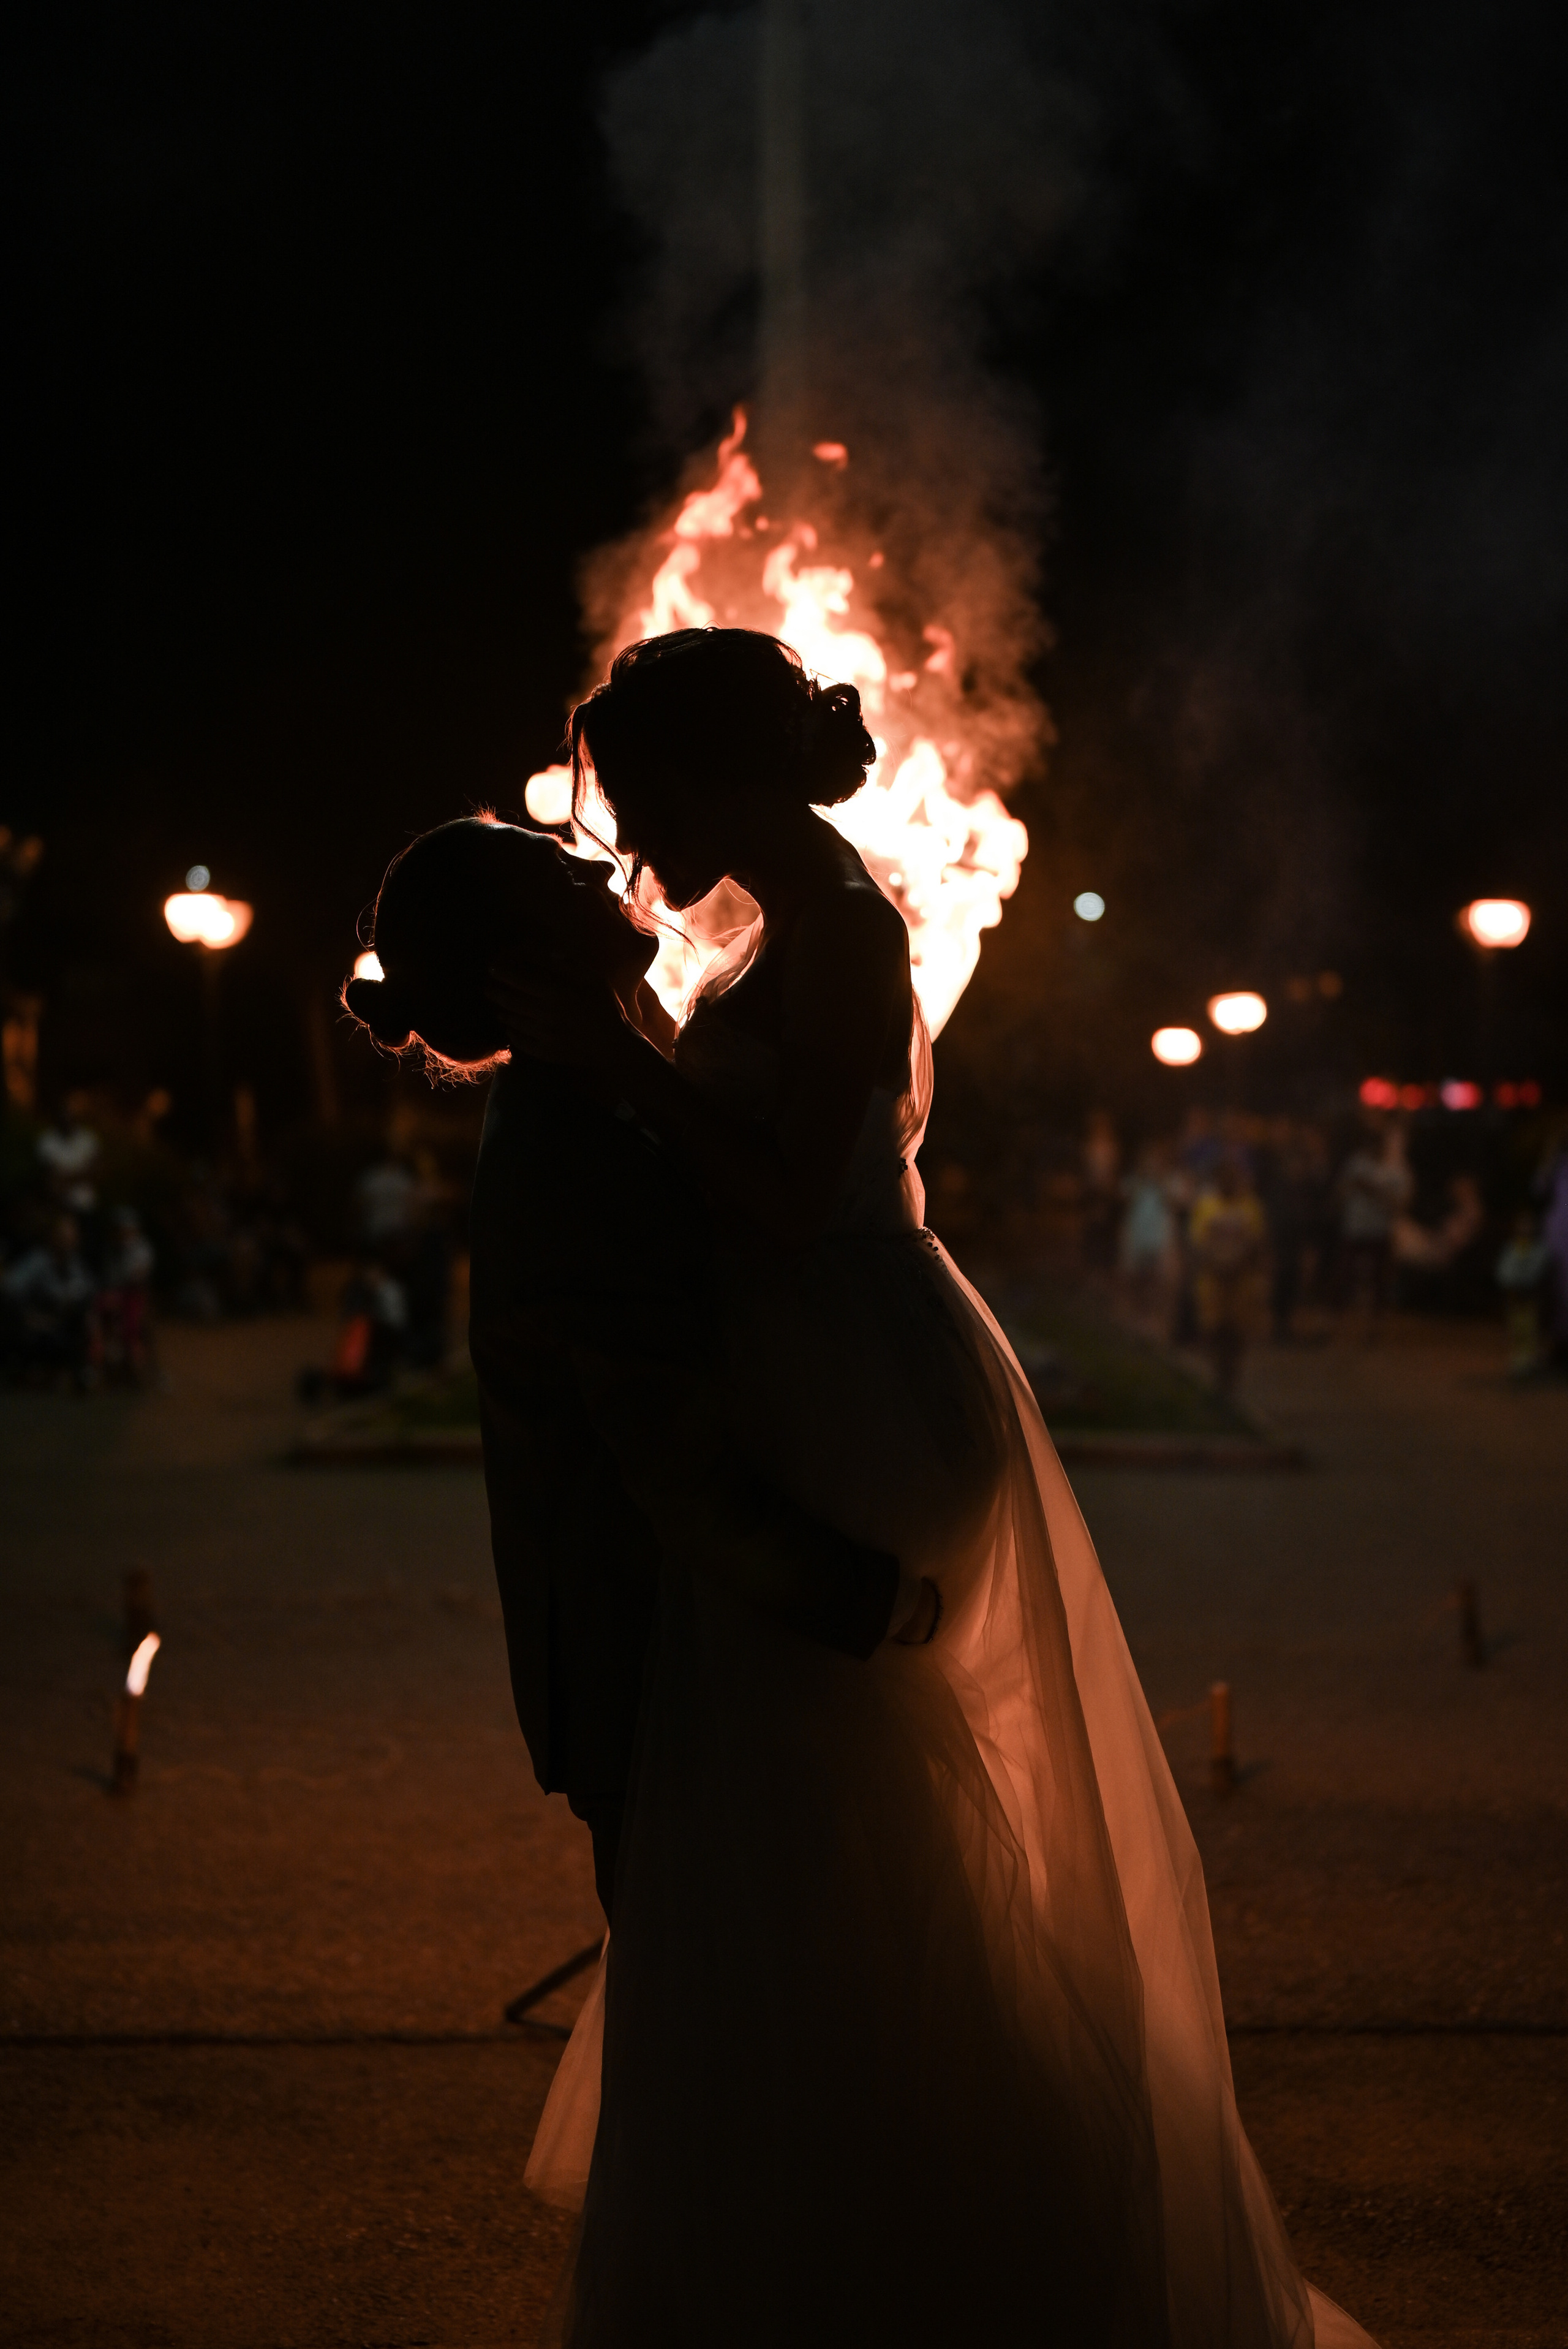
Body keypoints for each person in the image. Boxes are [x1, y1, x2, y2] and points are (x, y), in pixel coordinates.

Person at [484, 627, 1376, 2348]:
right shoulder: (780, 922)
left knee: (816, 1819)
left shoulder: (844, 930)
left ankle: (902, 2249)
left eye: (645, 788)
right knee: (821, 1840)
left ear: (722, 775)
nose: (627, 828)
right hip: (825, 1364)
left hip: (856, 1392)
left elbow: (784, 1194)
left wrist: (621, 1076)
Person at [341, 817, 924, 1939]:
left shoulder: (590, 1095)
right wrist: (877, 1599)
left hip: (672, 1660)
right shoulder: (574, 1145)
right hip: (650, 1671)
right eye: (558, 871)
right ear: (528, 956)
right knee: (726, 2005)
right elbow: (670, 1462)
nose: (603, 862)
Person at [1188, 1152, 1268, 1399]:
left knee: (1237, 1336)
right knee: (1214, 1333)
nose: (1229, 1182)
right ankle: (1218, 1380)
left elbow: (1257, 1243)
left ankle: (1230, 1385)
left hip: (1241, 1285)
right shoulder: (1206, 1206)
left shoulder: (1250, 1206)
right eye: (1224, 1177)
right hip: (1213, 1284)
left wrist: (1238, 1264)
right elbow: (1198, 1244)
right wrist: (1218, 1264)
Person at [2, 1212, 97, 1387]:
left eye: (73, 1235)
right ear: (52, 1236)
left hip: (65, 1325)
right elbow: (11, 1288)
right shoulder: (37, 1261)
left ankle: (81, 1369)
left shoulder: (75, 1264)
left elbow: (87, 1290)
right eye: (63, 1235)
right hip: (37, 1328)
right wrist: (30, 1316)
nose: (69, 1240)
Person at [1336, 1117, 1413, 1326]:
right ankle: (1340, 1321)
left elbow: (1403, 1204)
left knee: (1379, 1279)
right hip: (1354, 1228)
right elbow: (1340, 1193)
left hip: (1379, 1231)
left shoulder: (1396, 1168)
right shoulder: (1356, 1162)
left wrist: (1375, 1191)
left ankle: (1375, 1323)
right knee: (1346, 1274)